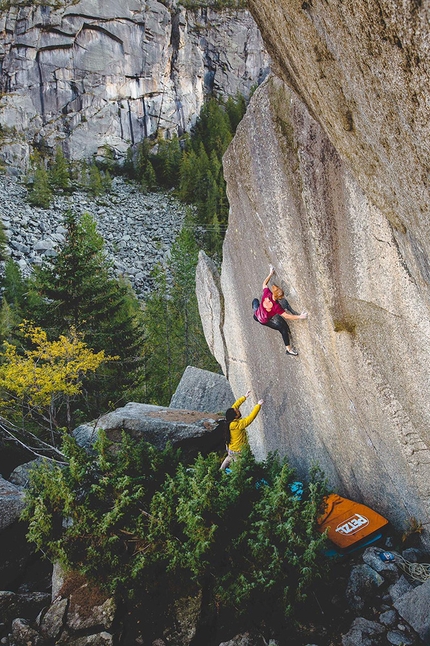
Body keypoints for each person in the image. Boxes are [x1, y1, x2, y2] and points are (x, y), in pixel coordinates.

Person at [252, 265, 308, 356]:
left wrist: (270, 273)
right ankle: (288, 350)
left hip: (257, 313)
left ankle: (255, 314)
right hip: (263, 320)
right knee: (282, 329)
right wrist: (300, 316)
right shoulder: (276, 307)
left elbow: (264, 284)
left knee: (255, 302)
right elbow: (286, 316)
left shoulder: (267, 293)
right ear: (280, 298)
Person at [220, 390, 263, 471]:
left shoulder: (229, 421)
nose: (238, 411)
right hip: (239, 452)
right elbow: (249, 419)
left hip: (231, 450)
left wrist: (244, 397)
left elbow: (235, 406)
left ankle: (220, 471)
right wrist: (258, 405)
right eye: (237, 412)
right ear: (235, 417)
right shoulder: (237, 425)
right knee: (241, 469)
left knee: (227, 463)